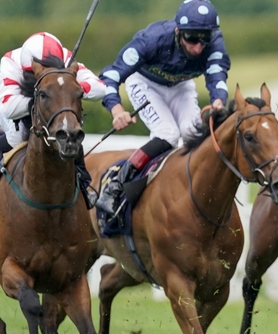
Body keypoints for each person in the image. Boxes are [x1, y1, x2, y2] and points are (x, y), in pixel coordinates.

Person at [95, 0, 230, 214]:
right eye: (191, 38)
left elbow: (217, 76)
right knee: (168, 134)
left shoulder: (214, 42)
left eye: (204, 39)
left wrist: (218, 101)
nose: (197, 47)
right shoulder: (152, 40)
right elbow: (110, 76)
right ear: (178, 31)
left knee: (193, 132)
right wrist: (116, 109)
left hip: (181, 85)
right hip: (144, 83)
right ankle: (116, 186)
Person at [0, 31, 105, 208]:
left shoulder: (66, 58)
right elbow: (9, 108)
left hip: (50, 105)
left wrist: (63, 93)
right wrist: (45, 97)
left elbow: (100, 88)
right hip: (13, 105)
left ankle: (84, 184)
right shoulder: (10, 62)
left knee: (70, 131)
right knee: (16, 137)